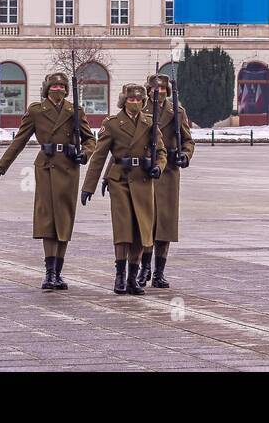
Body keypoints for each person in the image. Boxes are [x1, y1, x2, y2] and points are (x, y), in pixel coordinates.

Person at [0, 71, 93, 291]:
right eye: (54, 87)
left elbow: (90, 138)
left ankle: (59, 272)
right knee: (47, 218)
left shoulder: (75, 111)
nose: (59, 90)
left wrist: (85, 153)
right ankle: (49, 273)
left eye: (62, 87)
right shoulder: (36, 111)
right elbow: (19, 141)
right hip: (46, 166)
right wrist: (0, 169)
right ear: (47, 90)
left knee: (64, 218)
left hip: (69, 166)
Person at [81, 83, 166, 295]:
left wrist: (157, 167)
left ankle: (132, 278)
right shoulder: (112, 124)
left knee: (140, 230)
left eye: (138, 100)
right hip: (120, 180)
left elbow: (162, 153)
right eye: (131, 100)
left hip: (143, 181)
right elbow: (99, 156)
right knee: (123, 229)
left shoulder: (150, 123)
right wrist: (88, 186)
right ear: (123, 101)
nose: (135, 103)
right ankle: (119, 275)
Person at [136, 74, 195, 289]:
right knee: (147, 222)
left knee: (166, 223)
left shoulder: (177, 112)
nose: (157, 92)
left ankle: (159, 272)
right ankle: (144, 269)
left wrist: (185, 155)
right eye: (154, 89)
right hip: (147, 172)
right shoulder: (141, 111)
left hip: (169, 171)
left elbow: (188, 140)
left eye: (162, 89)